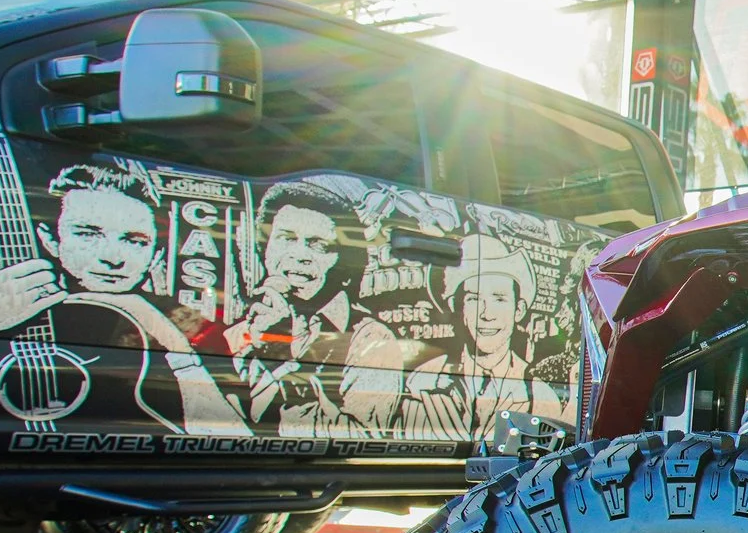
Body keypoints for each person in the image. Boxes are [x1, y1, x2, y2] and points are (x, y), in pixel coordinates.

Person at [0, 161, 244, 434]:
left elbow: (227, 434)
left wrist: (177, 351)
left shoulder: (178, 320)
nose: (112, 258)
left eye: (134, 241)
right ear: (51, 239)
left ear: (155, 253)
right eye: (88, 234)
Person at [228, 180, 404, 436]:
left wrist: (281, 358)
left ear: (345, 267)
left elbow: (363, 438)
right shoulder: (242, 332)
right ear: (265, 250)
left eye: (319, 245)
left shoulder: (369, 338)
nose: (299, 255)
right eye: (286, 239)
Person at [399, 235, 562, 443]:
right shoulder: (422, 383)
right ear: (457, 308)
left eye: (499, 299)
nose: (487, 314)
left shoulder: (539, 394)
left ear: (518, 310)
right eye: (474, 299)